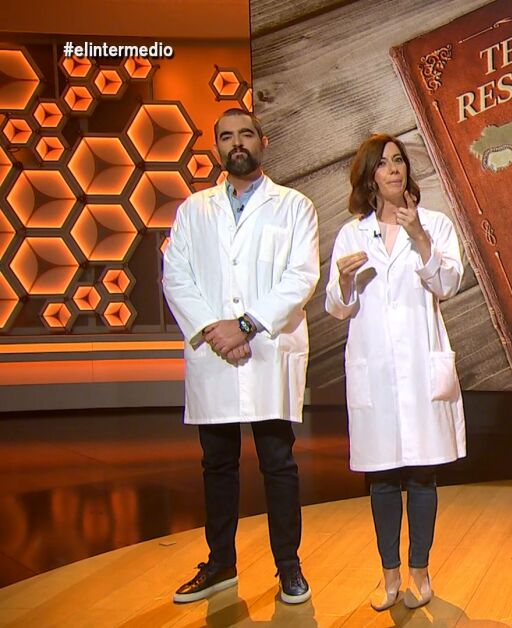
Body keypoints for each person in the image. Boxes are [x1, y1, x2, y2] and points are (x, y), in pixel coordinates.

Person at [162, 107, 320, 605]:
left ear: (263, 142)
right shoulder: (193, 210)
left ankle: (289, 567)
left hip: (267, 348)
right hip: (215, 352)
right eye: (226, 137)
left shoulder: (294, 206)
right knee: (217, 464)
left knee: (278, 462)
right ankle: (220, 565)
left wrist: (247, 325)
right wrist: (217, 331)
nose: (236, 144)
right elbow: (177, 277)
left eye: (245, 134)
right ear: (216, 148)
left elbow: (301, 277)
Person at [325, 133, 465, 611]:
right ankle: (389, 575)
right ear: (369, 177)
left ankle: (420, 570)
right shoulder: (352, 235)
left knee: (422, 474)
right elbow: (338, 307)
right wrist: (344, 281)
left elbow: (448, 284)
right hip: (376, 372)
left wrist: (420, 239)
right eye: (383, 163)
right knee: (382, 476)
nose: (394, 169)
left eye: (399, 160)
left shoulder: (435, 225)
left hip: (420, 365)